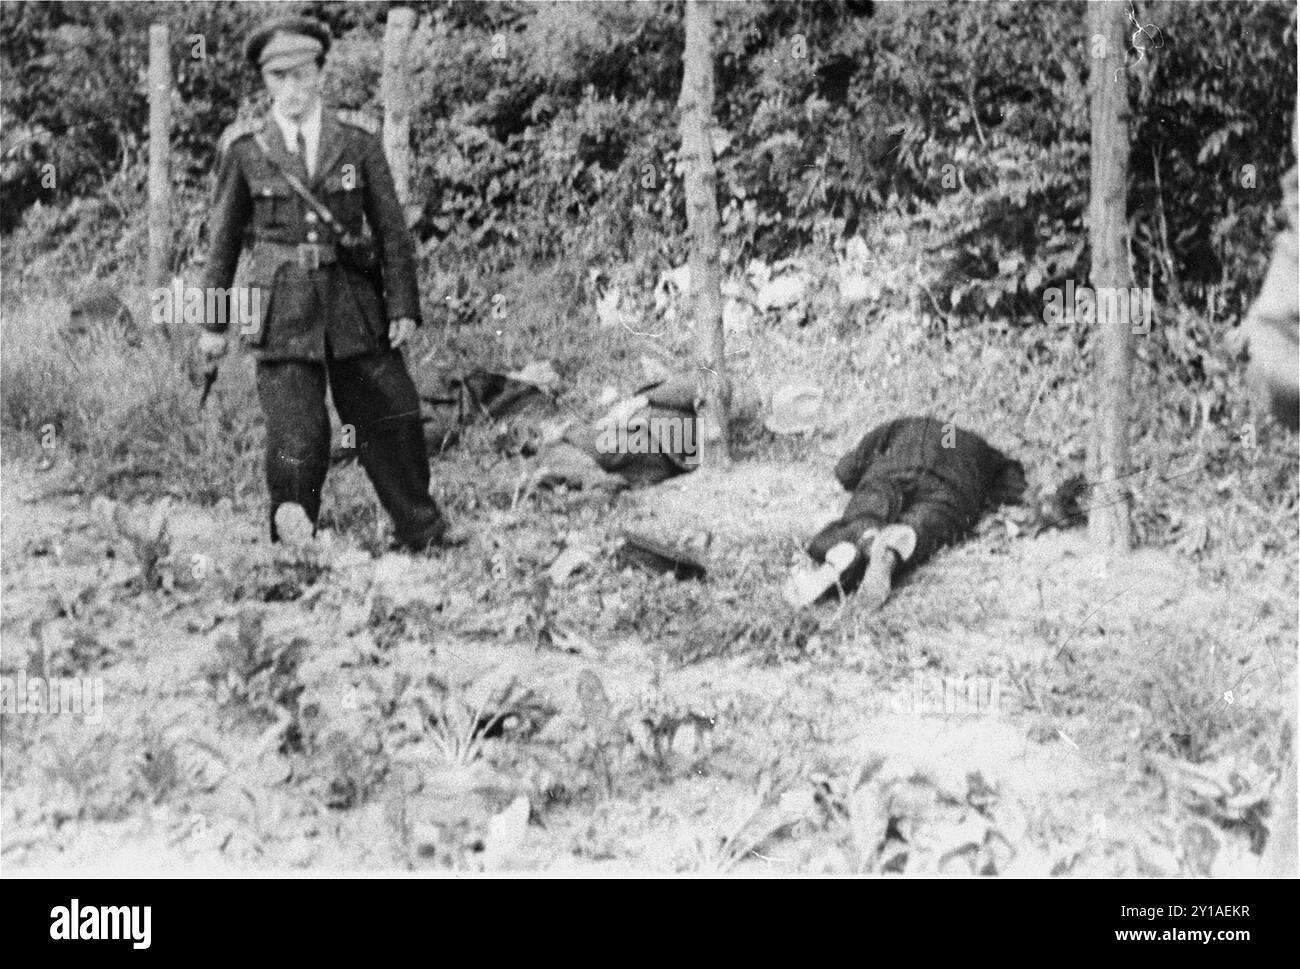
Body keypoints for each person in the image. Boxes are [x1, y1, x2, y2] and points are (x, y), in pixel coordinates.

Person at [197, 16, 463, 552]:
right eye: (278, 78)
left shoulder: (358, 143)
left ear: (320, 73)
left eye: (301, 75)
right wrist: (212, 324)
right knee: (297, 436)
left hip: (352, 304)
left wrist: (403, 305)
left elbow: (390, 230)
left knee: (394, 412)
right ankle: (294, 545)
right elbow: (223, 245)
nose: (291, 90)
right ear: (265, 82)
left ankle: (421, 528)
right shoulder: (247, 150)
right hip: (278, 311)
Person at [787, 416, 1025, 609]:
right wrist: (986, 498)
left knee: (865, 514)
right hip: (950, 484)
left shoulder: (900, 425)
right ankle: (892, 548)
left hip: (893, 470)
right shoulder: (979, 447)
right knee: (926, 523)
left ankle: (862, 540)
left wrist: (854, 476)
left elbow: (846, 470)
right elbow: (1014, 485)